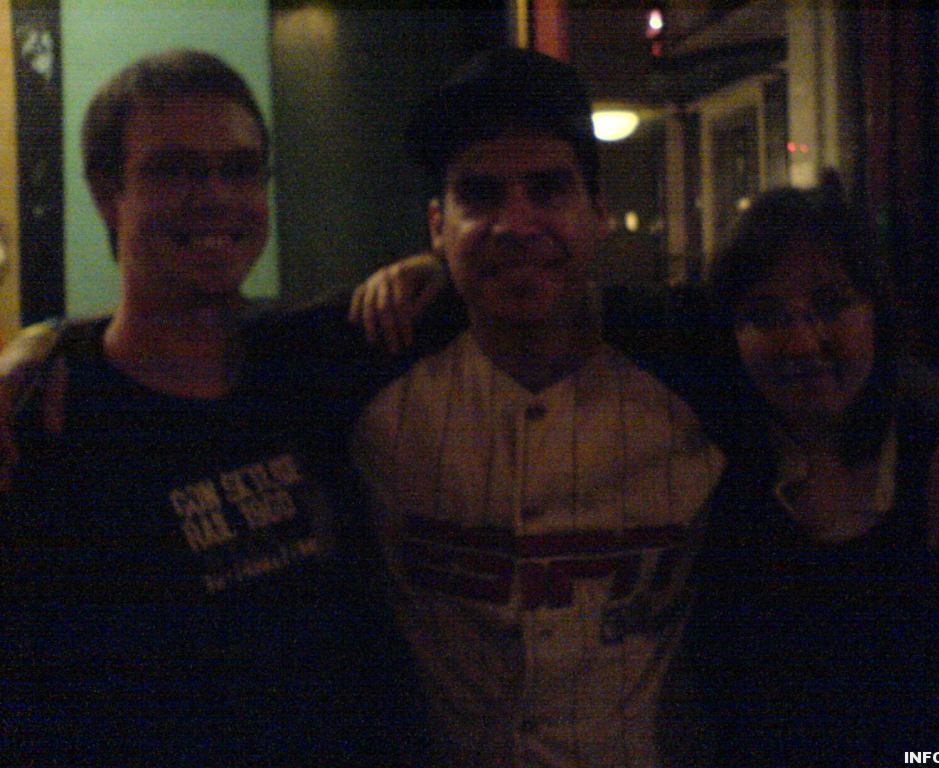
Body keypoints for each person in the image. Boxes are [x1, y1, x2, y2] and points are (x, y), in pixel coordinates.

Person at [0, 49, 425, 767]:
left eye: (240, 169)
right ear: (107, 193)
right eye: (174, 170)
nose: (216, 197)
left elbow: (494, 284)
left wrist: (434, 264)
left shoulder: (311, 359)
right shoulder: (45, 420)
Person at [349, 46, 725, 767]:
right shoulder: (369, 368)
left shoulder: (694, 363)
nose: (516, 223)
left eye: (548, 190)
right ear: (437, 226)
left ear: (598, 213)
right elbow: (225, 346)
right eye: (481, 196)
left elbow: (836, 368)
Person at [660, 185, 939, 766]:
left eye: (831, 305)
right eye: (765, 315)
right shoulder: (714, 468)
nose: (803, 342)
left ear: (877, 311)